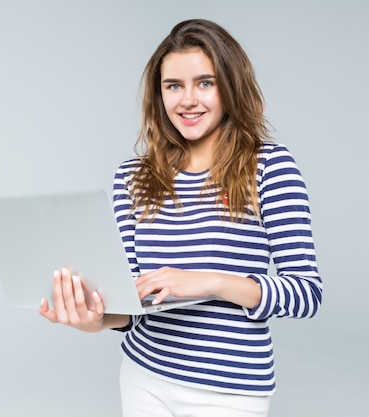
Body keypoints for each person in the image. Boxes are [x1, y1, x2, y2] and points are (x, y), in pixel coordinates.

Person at [39, 18, 322, 417]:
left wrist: (210, 282)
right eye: (174, 86)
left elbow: (305, 293)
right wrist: (94, 320)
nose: (188, 99)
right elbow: (134, 300)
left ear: (231, 87)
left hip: (231, 390)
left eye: (205, 83)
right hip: (144, 376)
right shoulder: (133, 176)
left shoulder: (270, 168)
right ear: (160, 95)